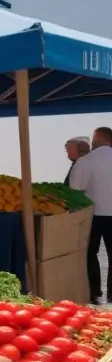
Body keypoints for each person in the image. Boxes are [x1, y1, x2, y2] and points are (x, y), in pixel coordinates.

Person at [71, 127, 112, 303]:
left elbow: (74, 191)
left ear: (96, 140)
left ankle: (94, 293)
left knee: (89, 254)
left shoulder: (85, 161)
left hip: (91, 215)